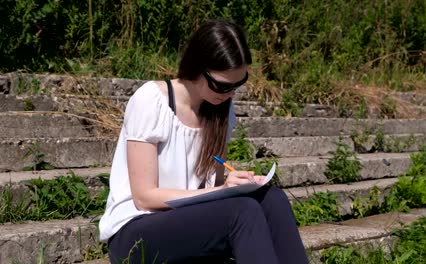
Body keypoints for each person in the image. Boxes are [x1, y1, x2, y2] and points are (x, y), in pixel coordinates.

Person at [98, 19, 309, 264]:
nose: (230, 94)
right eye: (222, 85)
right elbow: (144, 197)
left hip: (186, 222)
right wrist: (220, 191)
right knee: (242, 211)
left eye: (237, 85)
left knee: (272, 199)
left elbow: (213, 181)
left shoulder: (220, 109)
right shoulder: (151, 101)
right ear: (197, 68)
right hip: (136, 230)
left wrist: (231, 183)